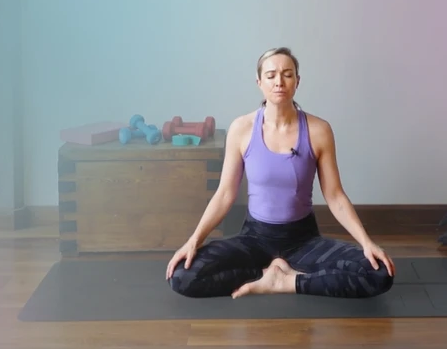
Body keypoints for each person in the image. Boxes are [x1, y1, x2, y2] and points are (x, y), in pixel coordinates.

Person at [165, 47, 396, 299]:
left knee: (379, 273)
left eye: (287, 74)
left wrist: (366, 242)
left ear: (297, 81)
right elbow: (224, 194)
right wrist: (193, 241)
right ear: (259, 82)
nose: (279, 82)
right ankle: (267, 274)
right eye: (271, 75)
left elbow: (335, 195)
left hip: (304, 241)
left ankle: (288, 282)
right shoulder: (241, 129)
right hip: (254, 239)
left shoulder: (319, 130)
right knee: (182, 276)